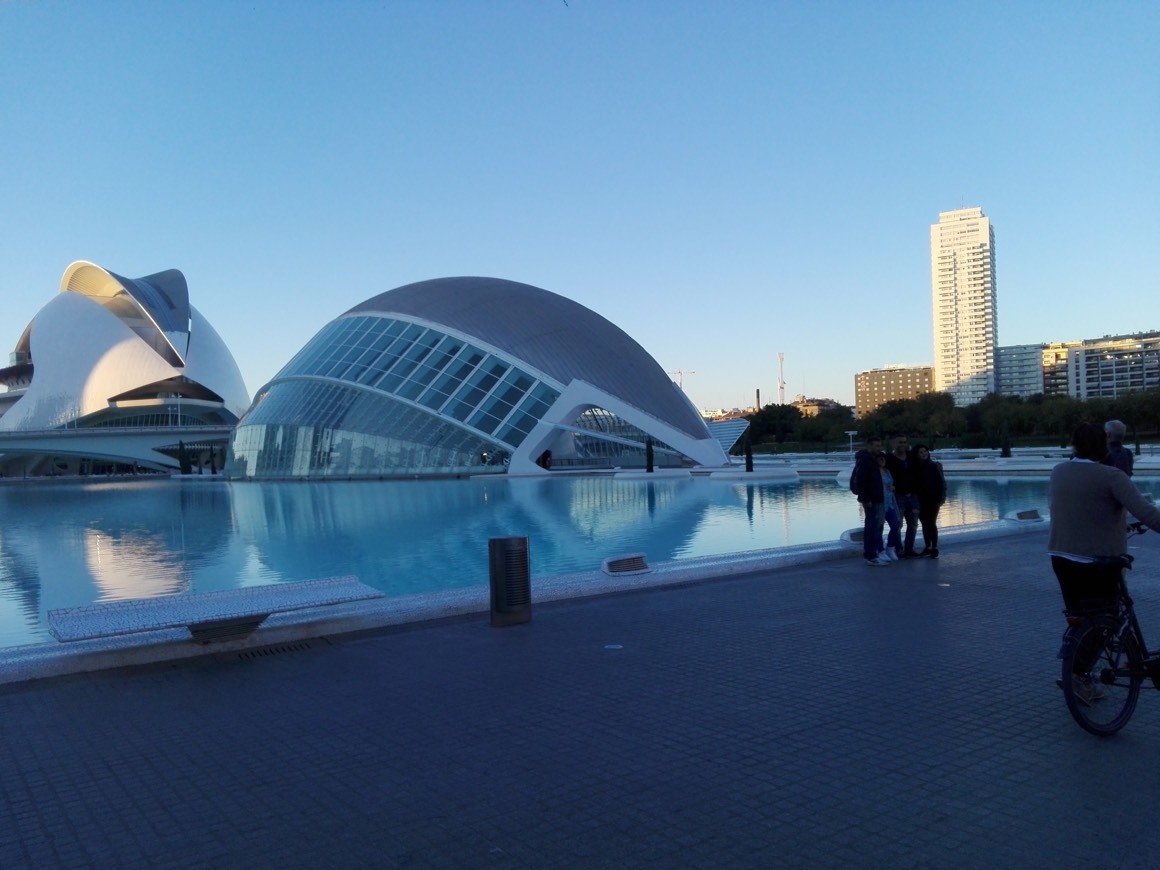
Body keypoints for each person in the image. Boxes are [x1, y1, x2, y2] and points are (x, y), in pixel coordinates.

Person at [1049, 422, 1160, 615]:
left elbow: (1070, 508)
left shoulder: (1058, 471)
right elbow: (1146, 512)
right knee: (1109, 615)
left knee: (1080, 618)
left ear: (1074, 446)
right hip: (1098, 561)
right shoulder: (1112, 476)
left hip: (1061, 557)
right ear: (1104, 445)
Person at [852, 436, 889, 566]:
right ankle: (870, 556)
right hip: (870, 500)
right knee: (872, 527)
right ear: (869, 446)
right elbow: (861, 481)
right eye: (876, 446)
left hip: (876, 498)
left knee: (875, 526)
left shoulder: (873, 459)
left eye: (880, 446)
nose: (879, 448)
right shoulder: (865, 460)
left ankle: (873, 554)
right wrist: (866, 499)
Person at [884, 434, 921, 557]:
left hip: (913, 496)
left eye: (904, 442)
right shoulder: (888, 459)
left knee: (913, 524)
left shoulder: (911, 457)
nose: (902, 445)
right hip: (897, 497)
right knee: (897, 525)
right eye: (899, 442)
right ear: (893, 444)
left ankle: (909, 549)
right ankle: (898, 549)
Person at [912, 444, 946, 558]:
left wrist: (942, 498)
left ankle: (934, 547)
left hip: (933, 500)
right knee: (924, 523)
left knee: (931, 523)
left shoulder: (934, 466)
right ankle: (928, 547)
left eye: (925, 451)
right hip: (920, 500)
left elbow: (941, 483)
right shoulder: (915, 467)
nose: (923, 454)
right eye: (920, 452)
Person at [878, 452, 901, 561]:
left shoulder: (887, 472)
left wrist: (893, 488)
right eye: (880, 459)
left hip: (890, 503)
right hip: (879, 504)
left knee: (895, 526)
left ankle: (890, 548)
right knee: (879, 528)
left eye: (883, 459)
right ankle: (880, 550)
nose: (882, 461)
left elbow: (891, 484)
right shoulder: (874, 473)